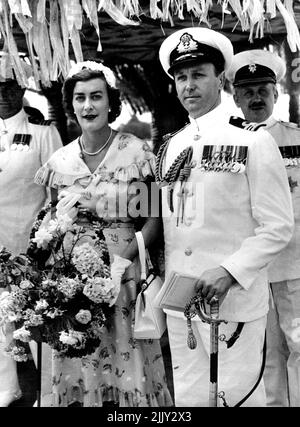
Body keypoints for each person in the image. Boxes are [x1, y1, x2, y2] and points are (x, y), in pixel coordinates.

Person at [157, 27, 294, 407]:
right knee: (191, 399)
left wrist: (231, 270)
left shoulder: (253, 140)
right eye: (181, 77)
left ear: (220, 80)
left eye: (198, 74)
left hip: (231, 301)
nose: (189, 85)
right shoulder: (173, 145)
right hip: (182, 301)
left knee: (236, 399)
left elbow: (278, 226)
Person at [33, 61, 172, 407]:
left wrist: (123, 263)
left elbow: (154, 219)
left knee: (128, 363)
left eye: (96, 96)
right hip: (73, 284)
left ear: (111, 102)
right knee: (81, 362)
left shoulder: (136, 152)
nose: (88, 106)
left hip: (124, 275)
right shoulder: (60, 161)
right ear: (71, 105)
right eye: (80, 98)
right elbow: (50, 224)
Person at [226, 49, 300, 407]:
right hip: (249, 270)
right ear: (235, 96)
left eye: (263, 90)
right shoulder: (225, 144)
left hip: (295, 264)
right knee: (263, 353)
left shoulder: (296, 138)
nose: (256, 97)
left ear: (276, 94)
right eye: (248, 91)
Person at [0, 67, 63, 405]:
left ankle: (49, 392)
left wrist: (44, 241)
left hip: (27, 244)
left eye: (9, 85)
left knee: (38, 320)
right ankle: (5, 388)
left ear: (22, 86)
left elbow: (56, 196)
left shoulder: (42, 133)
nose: (2, 93)